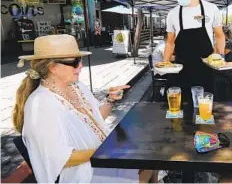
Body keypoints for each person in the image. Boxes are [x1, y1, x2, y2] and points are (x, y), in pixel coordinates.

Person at [12, 34, 158, 183]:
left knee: (151, 157)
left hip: (100, 156)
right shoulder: (40, 103)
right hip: (80, 172)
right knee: (147, 166)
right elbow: (60, 157)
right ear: (53, 67)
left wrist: (110, 100)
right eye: (74, 62)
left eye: (80, 60)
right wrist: (109, 152)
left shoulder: (77, 87)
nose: (80, 66)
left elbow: (96, 118)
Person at [163, 0, 225, 100]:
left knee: (204, 111)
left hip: (205, 71)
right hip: (180, 72)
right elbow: (169, 43)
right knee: (179, 113)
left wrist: (220, 57)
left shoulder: (211, 9)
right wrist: (165, 63)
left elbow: (219, 35)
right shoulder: (173, 14)